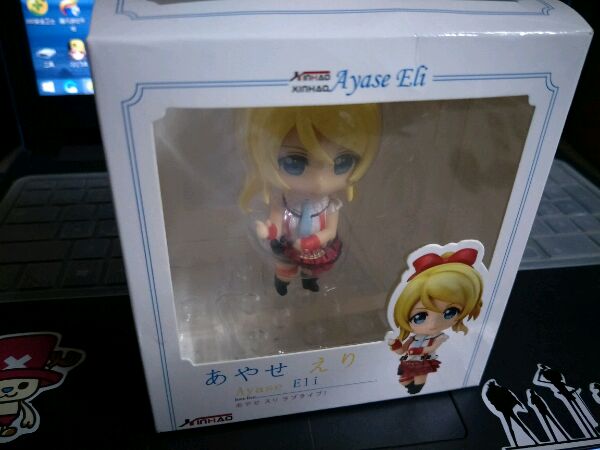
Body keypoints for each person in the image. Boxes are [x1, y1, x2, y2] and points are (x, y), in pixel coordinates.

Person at [239, 104, 381, 295]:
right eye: (293, 163)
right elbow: (277, 222)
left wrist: (311, 242)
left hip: (315, 248)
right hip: (288, 244)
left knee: (312, 269)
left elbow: (330, 231)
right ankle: (282, 284)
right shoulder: (282, 200)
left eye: (343, 163)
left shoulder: (330, 205)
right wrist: (269, 231)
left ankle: (309, 282)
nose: (319, 183)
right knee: (285, 268)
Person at [389, 248, 483, 394]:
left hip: (423, 362)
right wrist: (395, 345)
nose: (433, 325)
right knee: (405, 379)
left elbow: (432, 348)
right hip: (410, 361)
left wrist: (417, 350)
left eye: (450, 312)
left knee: (419, 377)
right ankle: (410, 388)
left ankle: (416, 389)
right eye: (419, 317)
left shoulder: (439, 337)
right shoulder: (414, 338)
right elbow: (402, 350)